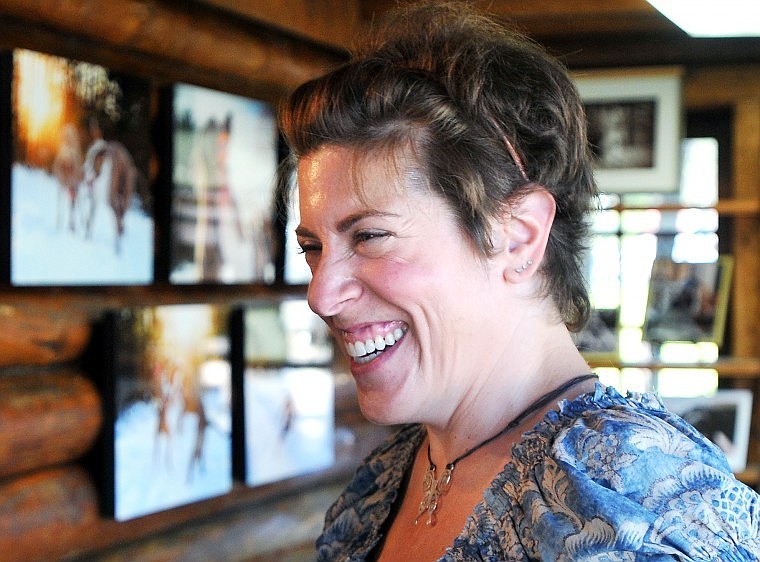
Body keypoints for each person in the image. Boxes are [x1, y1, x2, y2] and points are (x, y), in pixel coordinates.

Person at [276, 2, 760, 560]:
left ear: (518, 237)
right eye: (312, 247)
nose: (321, 294)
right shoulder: (392, 474)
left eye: (369, 237)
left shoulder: (641, 513)